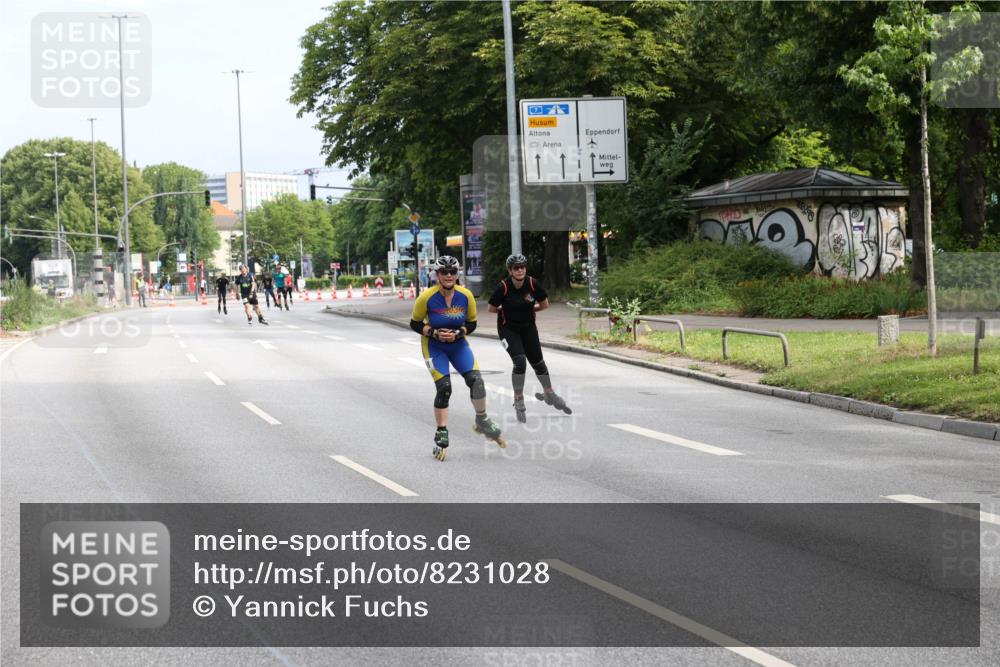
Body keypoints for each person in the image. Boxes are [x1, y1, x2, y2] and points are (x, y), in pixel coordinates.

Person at [410, 255, 504, 462]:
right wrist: (433, 333)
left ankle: (482, 420)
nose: (449, 275)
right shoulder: (426, 298)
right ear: (437, 275)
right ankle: (441, 431)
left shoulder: (466, 295)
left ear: (457, 274)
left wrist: (460, 332)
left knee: (477, 382)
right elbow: (415, 323)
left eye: (453, 272)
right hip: (435, 347)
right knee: (444, 387)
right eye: (444, 272)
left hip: (458, 345)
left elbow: (471, 323)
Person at [488, 253, 571, 422]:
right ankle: (518, 398)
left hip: (528, 328)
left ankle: (549, 393)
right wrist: (506, 313)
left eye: (522, 267)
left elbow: (545, 304)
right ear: (510, 270)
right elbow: (491, 308)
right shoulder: (503, 287)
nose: (520, 270)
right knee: (520, 362)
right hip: (507, 329)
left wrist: (532, 311)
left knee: (538, 363)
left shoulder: (532, 284)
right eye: (516, 268)